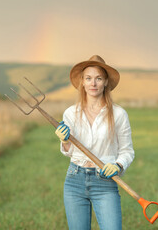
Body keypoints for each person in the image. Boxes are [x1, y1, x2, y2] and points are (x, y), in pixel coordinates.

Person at [55, 55, 135, 230]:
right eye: (88, 78)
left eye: (98, 78)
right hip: (75, 179)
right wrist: (64, 140)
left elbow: (127, 151)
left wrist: (119, 165)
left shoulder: (119, 114)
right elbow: (69, 151)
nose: (93, 83)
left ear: (106, 82)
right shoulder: (70, 113)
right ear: (82, 82)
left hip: (105, 182)